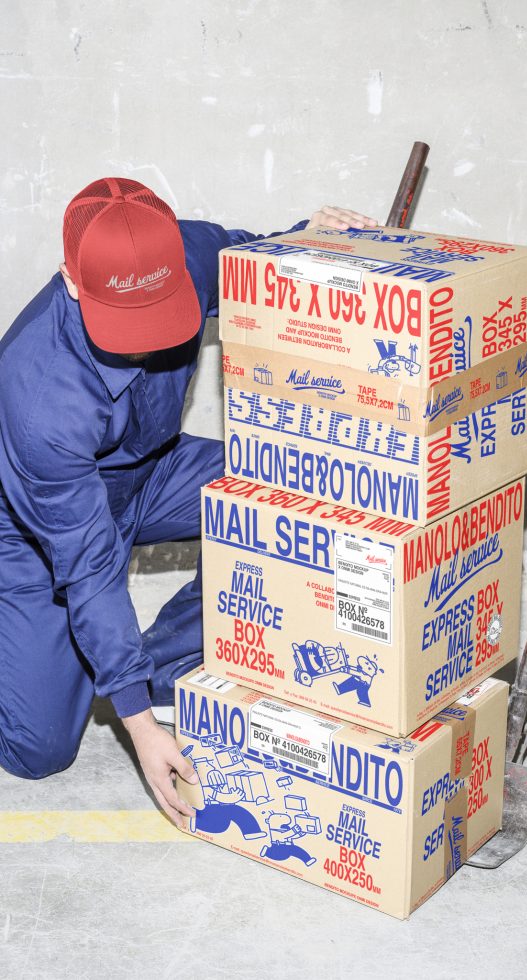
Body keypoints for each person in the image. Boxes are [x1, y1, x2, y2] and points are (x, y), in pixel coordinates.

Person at [0, 176, 377, 826]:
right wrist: (142, 731)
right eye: (129, 322)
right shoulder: (37, 394)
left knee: (297, 487)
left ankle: (166, 662)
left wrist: (308, 235)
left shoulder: (185, 255)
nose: (147, 339)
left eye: (161, 311)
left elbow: (251, 259)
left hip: (150, 475)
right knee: (39, 752)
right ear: (70, 279)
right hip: (40, 535)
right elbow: (88, 566)